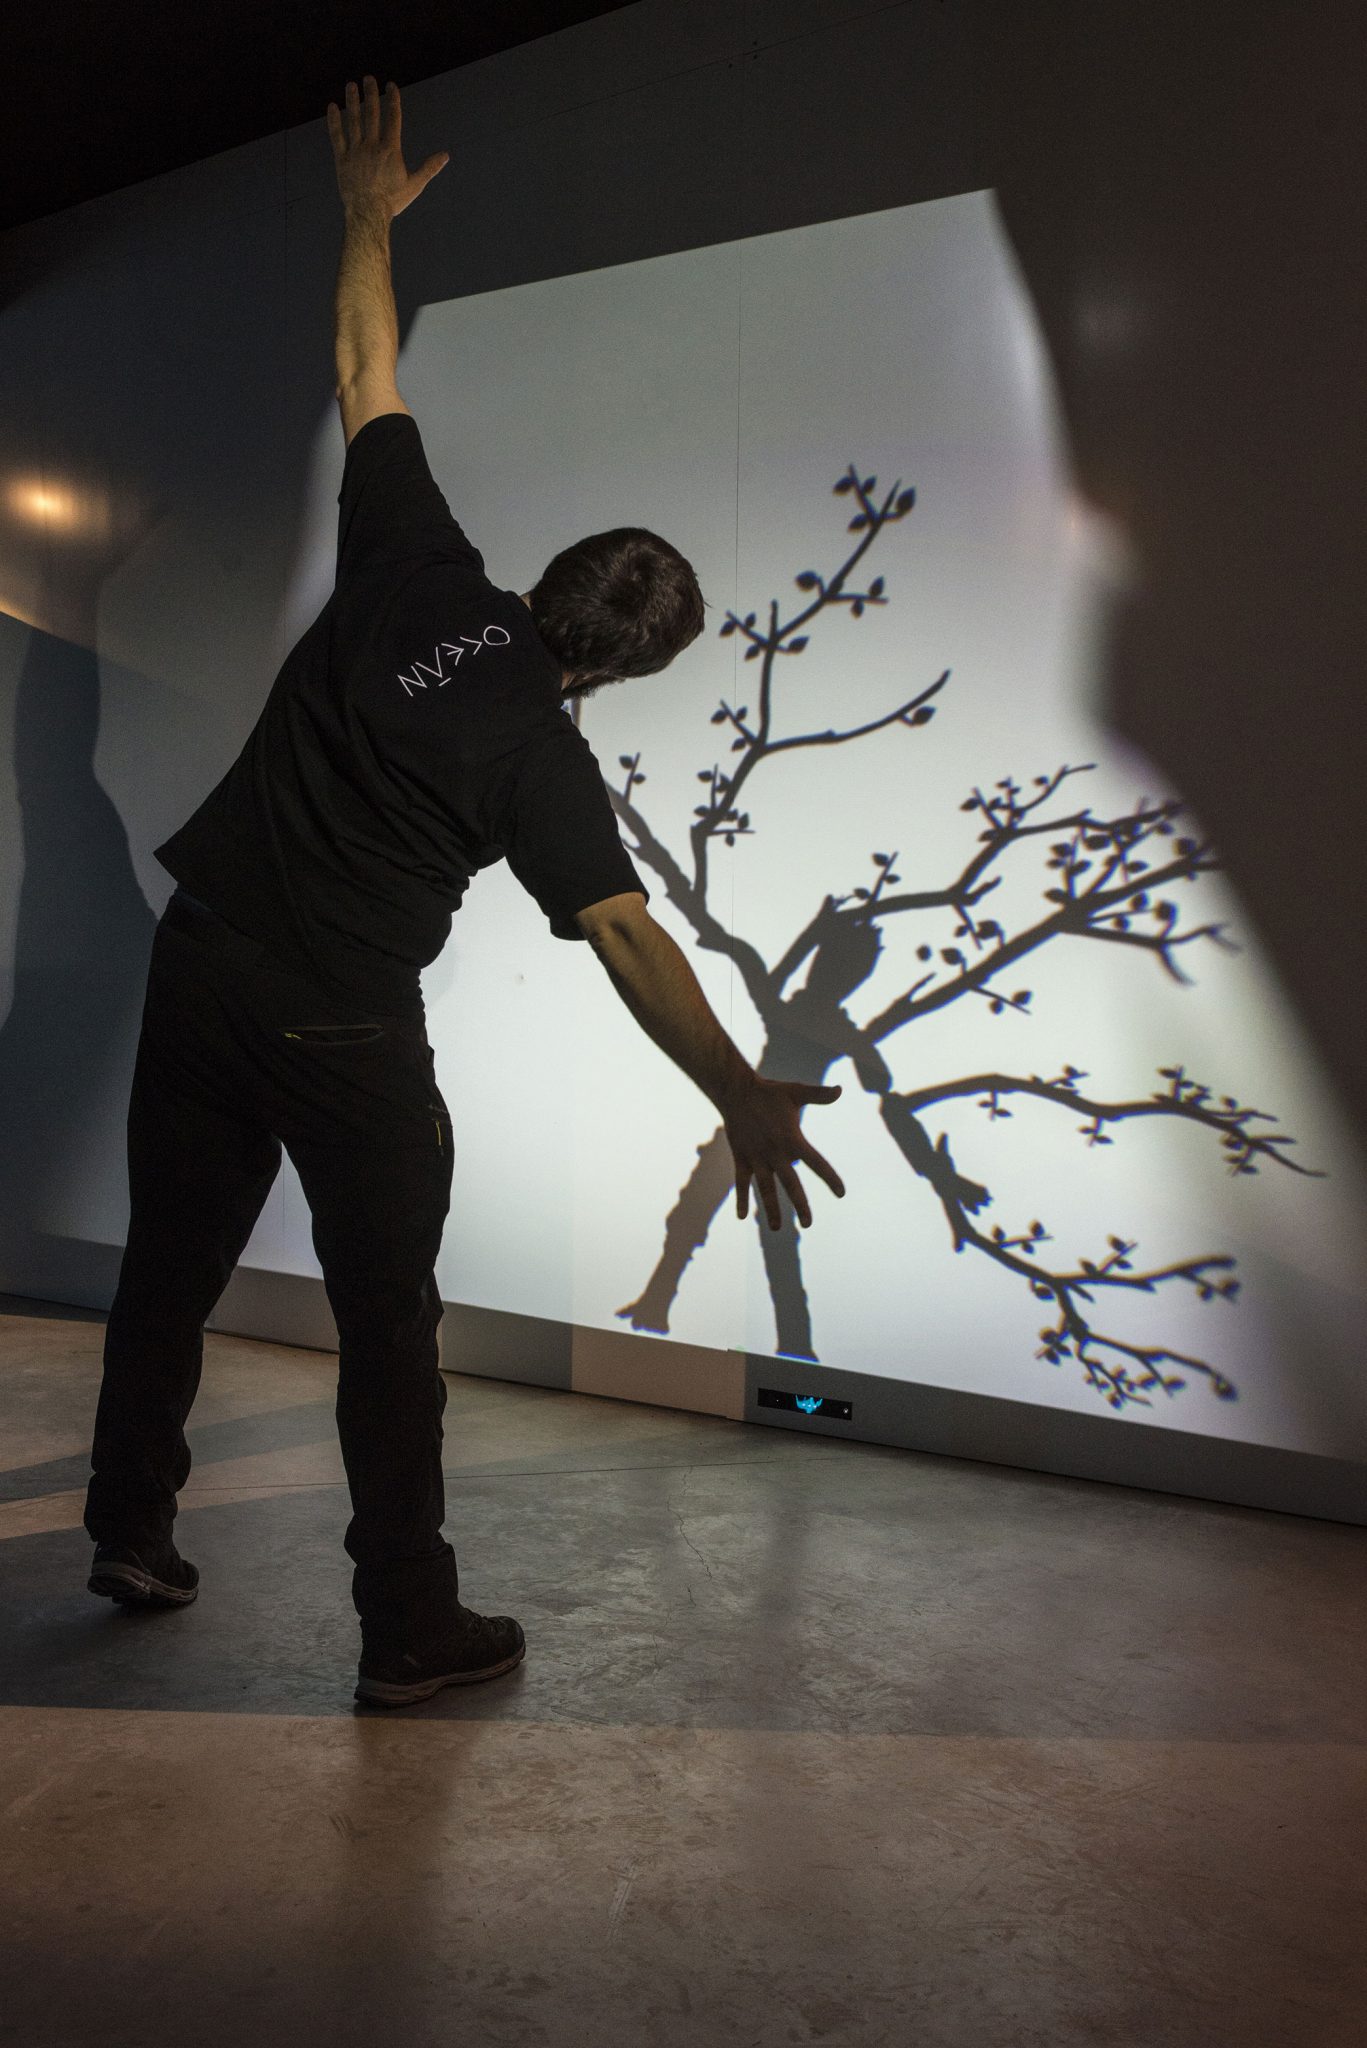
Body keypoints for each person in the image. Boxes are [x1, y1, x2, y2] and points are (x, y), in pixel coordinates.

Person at [83, 75, 845, 1709]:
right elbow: (628, 936)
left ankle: (130, 1532)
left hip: (199, 958)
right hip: (341, 1027)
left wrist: (366, 215)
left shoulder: (416, 559)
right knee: (389, 1329)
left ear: (552, 579)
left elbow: (365, 366)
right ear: (622, 670)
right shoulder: (543, 763)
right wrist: (741, 1095)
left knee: (169, 1268)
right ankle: (408, 1627)